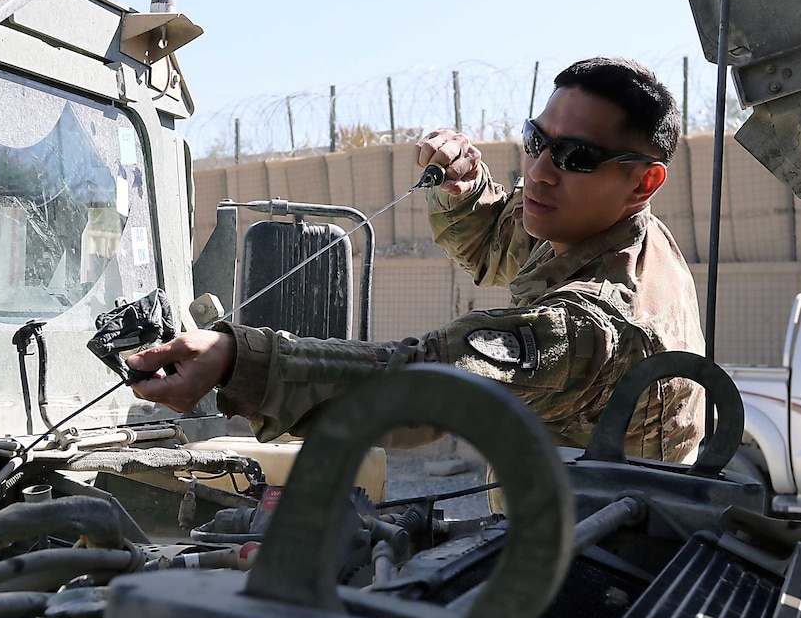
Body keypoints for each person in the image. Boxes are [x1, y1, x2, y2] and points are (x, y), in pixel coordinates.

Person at [128, 56, 705, 474]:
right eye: (536, 140)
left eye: (577, 157)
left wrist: (238, 364)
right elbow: (498, 241)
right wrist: (463, 186)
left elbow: (429, 380)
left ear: (644, 181)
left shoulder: (598, 325)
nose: (539, 171)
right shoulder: (598, 231)